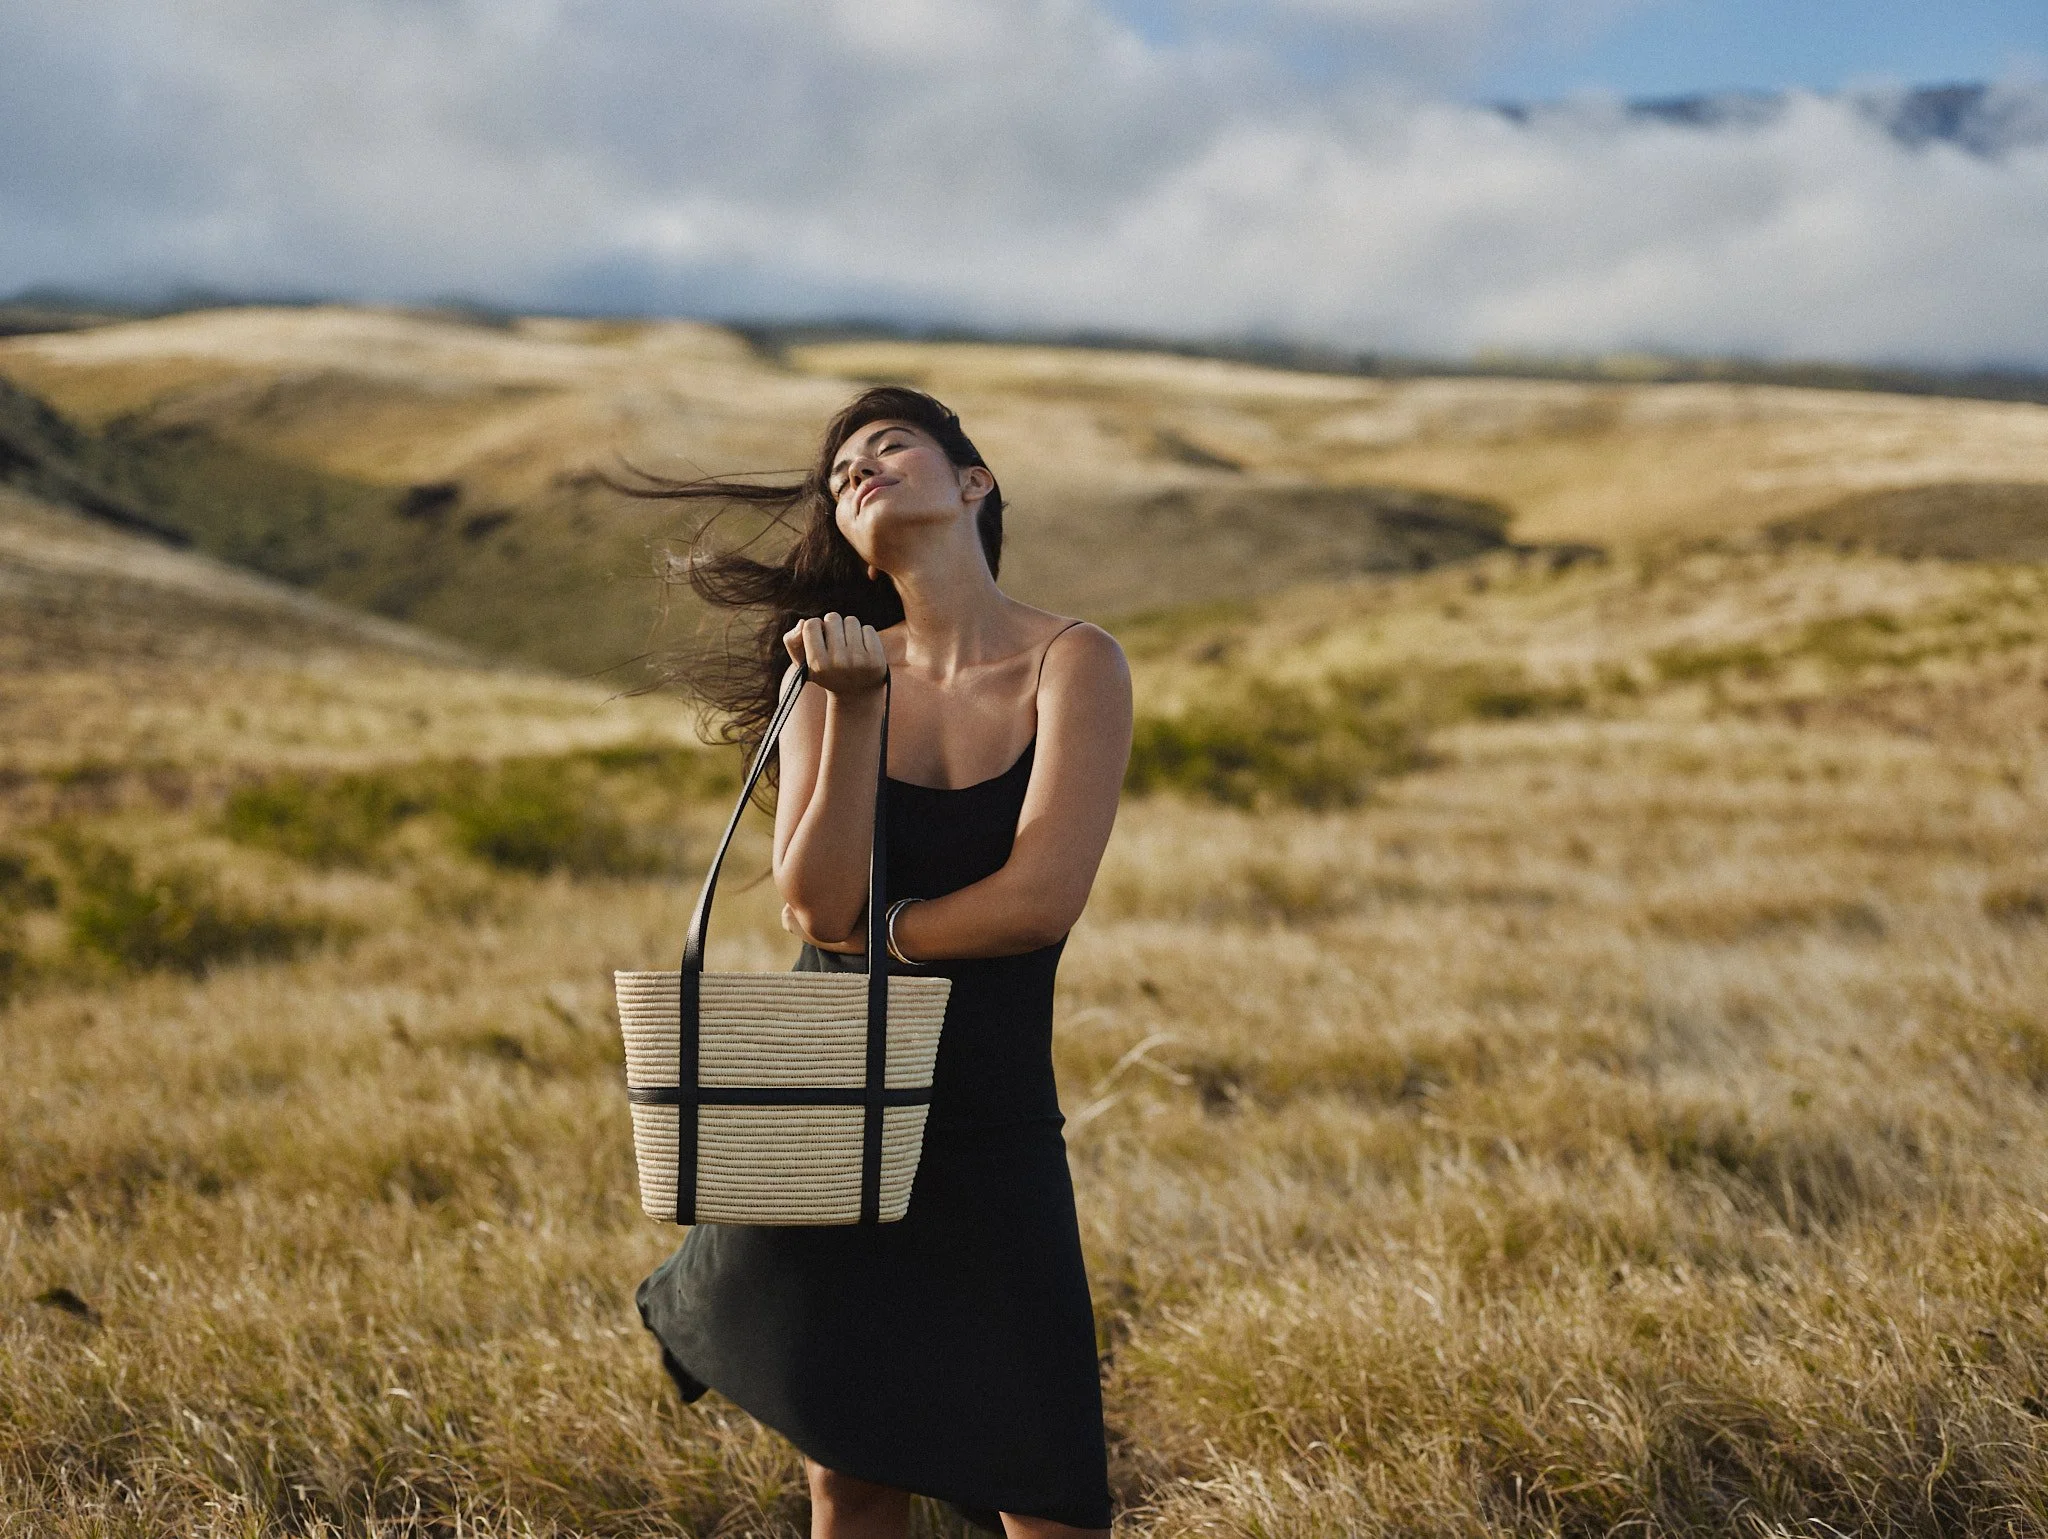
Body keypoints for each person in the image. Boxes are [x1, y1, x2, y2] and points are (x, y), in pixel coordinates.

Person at [630, 386, 1134, 1537]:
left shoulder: (1075, 663)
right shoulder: (831, 679)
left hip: (988, 1116)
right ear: (845, 533)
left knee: (1047, 1493)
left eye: (889, 445)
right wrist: (855, 706)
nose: (858, 469)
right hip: (832, 1102)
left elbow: (1038, 905)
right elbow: (815, 906)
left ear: (973, 482)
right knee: (849, 1479)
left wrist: (883, 937)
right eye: (841, 470)